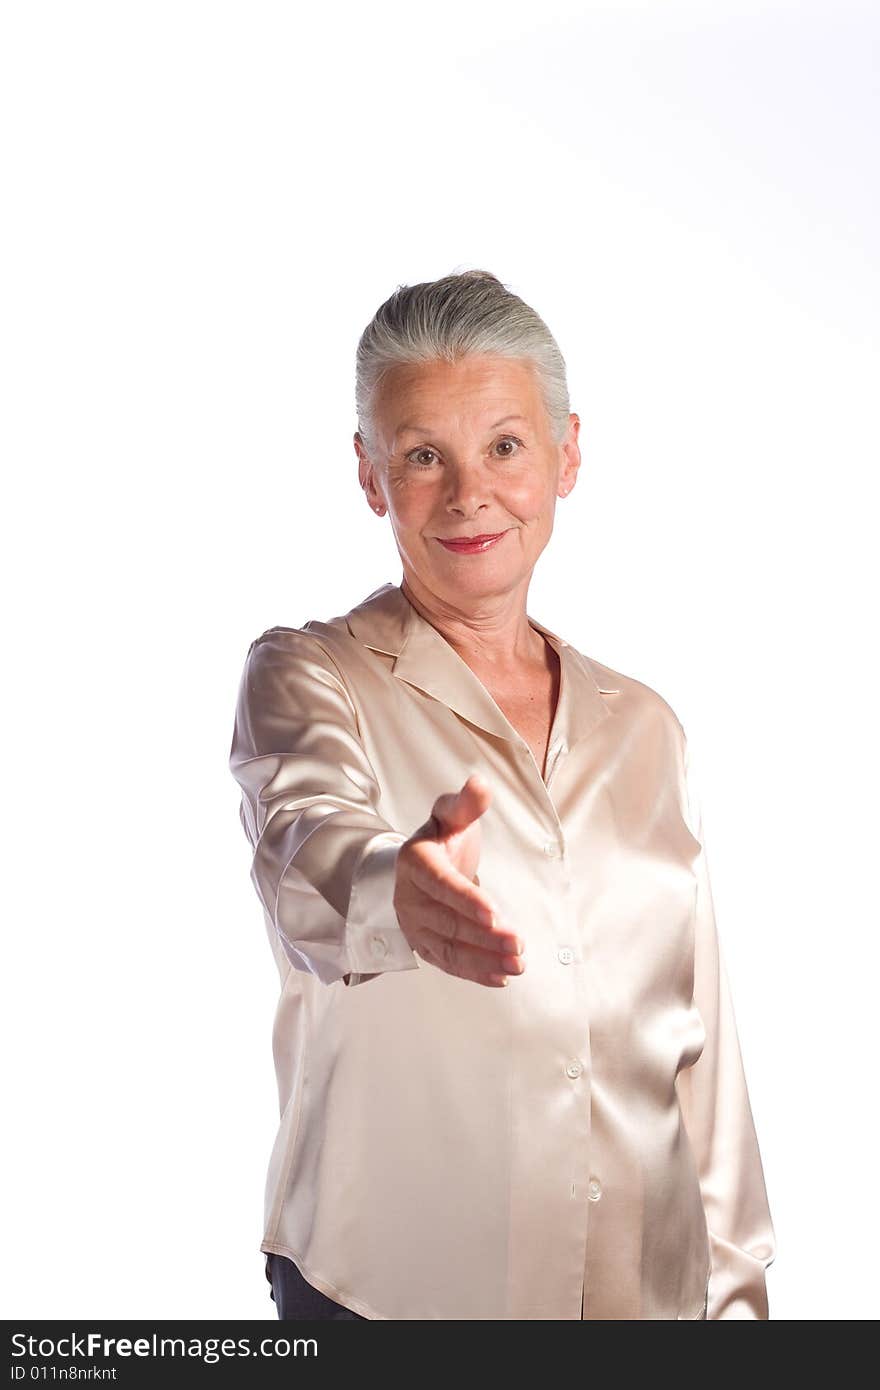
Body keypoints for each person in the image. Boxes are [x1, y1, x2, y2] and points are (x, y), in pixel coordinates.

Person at [228, 268, 776, 1320]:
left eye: (505, 447)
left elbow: (698, 1043)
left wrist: (740, 1297)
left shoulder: (645, 727)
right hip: (388, 1296)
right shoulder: (307, 675)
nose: (468, 491)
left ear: (567, 455)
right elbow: (305, 848)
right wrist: (397, 887)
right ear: (370, 472)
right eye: (423, 454)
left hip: (641, 1299)